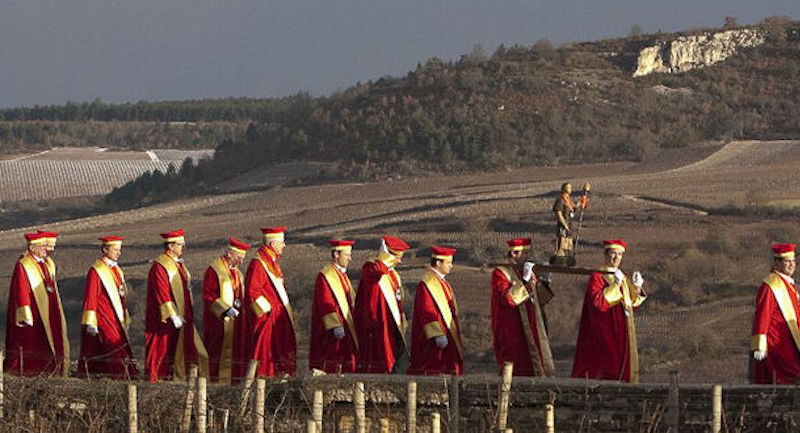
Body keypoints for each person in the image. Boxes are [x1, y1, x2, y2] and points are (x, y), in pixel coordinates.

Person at [572, 239, 646, 383]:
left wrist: (637, 287)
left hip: (621, 329)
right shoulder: (598, 276)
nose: (616, 257)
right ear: (606, 255)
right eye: (613, 253)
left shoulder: (622, 277)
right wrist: (615, 286)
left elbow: (631, 302)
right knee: (608, 365)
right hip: (605, 328)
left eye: (619, 254)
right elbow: (599, 302)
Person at [145, 229, 208, 382]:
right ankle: (158, 378)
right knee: (163, 349)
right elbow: (162, 291)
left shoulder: (179, 265)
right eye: (180, 245)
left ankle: (181, 376)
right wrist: (172, 313)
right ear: (171, 246)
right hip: (165, 318)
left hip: (183, 315)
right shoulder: (160, 266)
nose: (183, 248)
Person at [4, 231, 70, 376]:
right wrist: (25, 313)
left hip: (48, 309)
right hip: (33, 312)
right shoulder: (24, 265)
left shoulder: (46, 264)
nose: (46, 250)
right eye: (42, 247)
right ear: (33, 247)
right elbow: (21, 289)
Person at [491, 238, 555, 376]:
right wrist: (525, 281)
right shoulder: (501, 273)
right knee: (516, 366)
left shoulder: (527, 272)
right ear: (514, 254)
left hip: (532, 328)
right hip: (512, 330)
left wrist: (544, 281)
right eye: (524, 253)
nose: (528, 256)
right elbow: (508, 299)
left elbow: (539, 300)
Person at [78, 236, 137, 379]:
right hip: (103, 316)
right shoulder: (96, 271)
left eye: (119, 250)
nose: (118, 253)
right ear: (105, 250)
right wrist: (90, 321)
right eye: (115, 250)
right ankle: (119, 376)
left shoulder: (117, 270)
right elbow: (91, 295)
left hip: (116, 316)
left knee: (114, 346)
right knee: (112, 347)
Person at [245, 226, 297, 377]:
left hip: (278, 319)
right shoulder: (258, 264)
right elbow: (252, 292)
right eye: (282, 242)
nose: (284, 245)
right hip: (268, 320)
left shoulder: (272, 263)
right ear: (272, 244)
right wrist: (268, 311)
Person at [354, 235, 410, 373]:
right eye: (397, 257)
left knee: (401, 360)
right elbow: (378, 270)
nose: (400, 261)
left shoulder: (394, 275)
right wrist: (384, 256)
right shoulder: (370, 268)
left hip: (393, 326)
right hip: (376, 326)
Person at [407, 246, 464, 376]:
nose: (451, 266)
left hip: (447, 333)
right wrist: (437, 334)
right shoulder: (427, 284)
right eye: (448, 263)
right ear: (438, 263)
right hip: (434, 339)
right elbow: (426, 310)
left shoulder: (443, 282)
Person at [203, 237, 250, 384]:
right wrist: (225, 309)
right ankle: (216, 383)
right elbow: (208, 295)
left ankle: (234, 382)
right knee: (217, 353)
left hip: (235, 322)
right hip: (219, 322)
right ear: (230, 254)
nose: (241, 262)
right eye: (239, 257)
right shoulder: (214, 271)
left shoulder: (238, 273)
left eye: (243, 258)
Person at [750, 243, 800, 384]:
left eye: (793, 261)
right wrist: (759, 343)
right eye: (787, 261)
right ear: (777, 263)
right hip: (776, 342)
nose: (791, 265)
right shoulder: (771, 285)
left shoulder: (789, 285)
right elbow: (763, 313)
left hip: (790, 339)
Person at [309, 240, 358, 374]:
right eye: (347, 255)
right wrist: (335, 325)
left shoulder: (343, 275)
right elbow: (325, 302)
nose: (350, 258)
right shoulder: (325, 276)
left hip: (346, 327)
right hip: (333, 331)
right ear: (336, 254)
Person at [551, 182, 576, 266]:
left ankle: (568, 257)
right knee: (562, 241)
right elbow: (558, 213)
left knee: (569, 242)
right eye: (568, 187)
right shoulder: (560, 200)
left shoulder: (569, 200)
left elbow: (573, 207)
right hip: (563, 224)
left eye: (571, 187)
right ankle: (560, 258)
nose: (570, 189)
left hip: (570, 223)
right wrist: (564, 224)